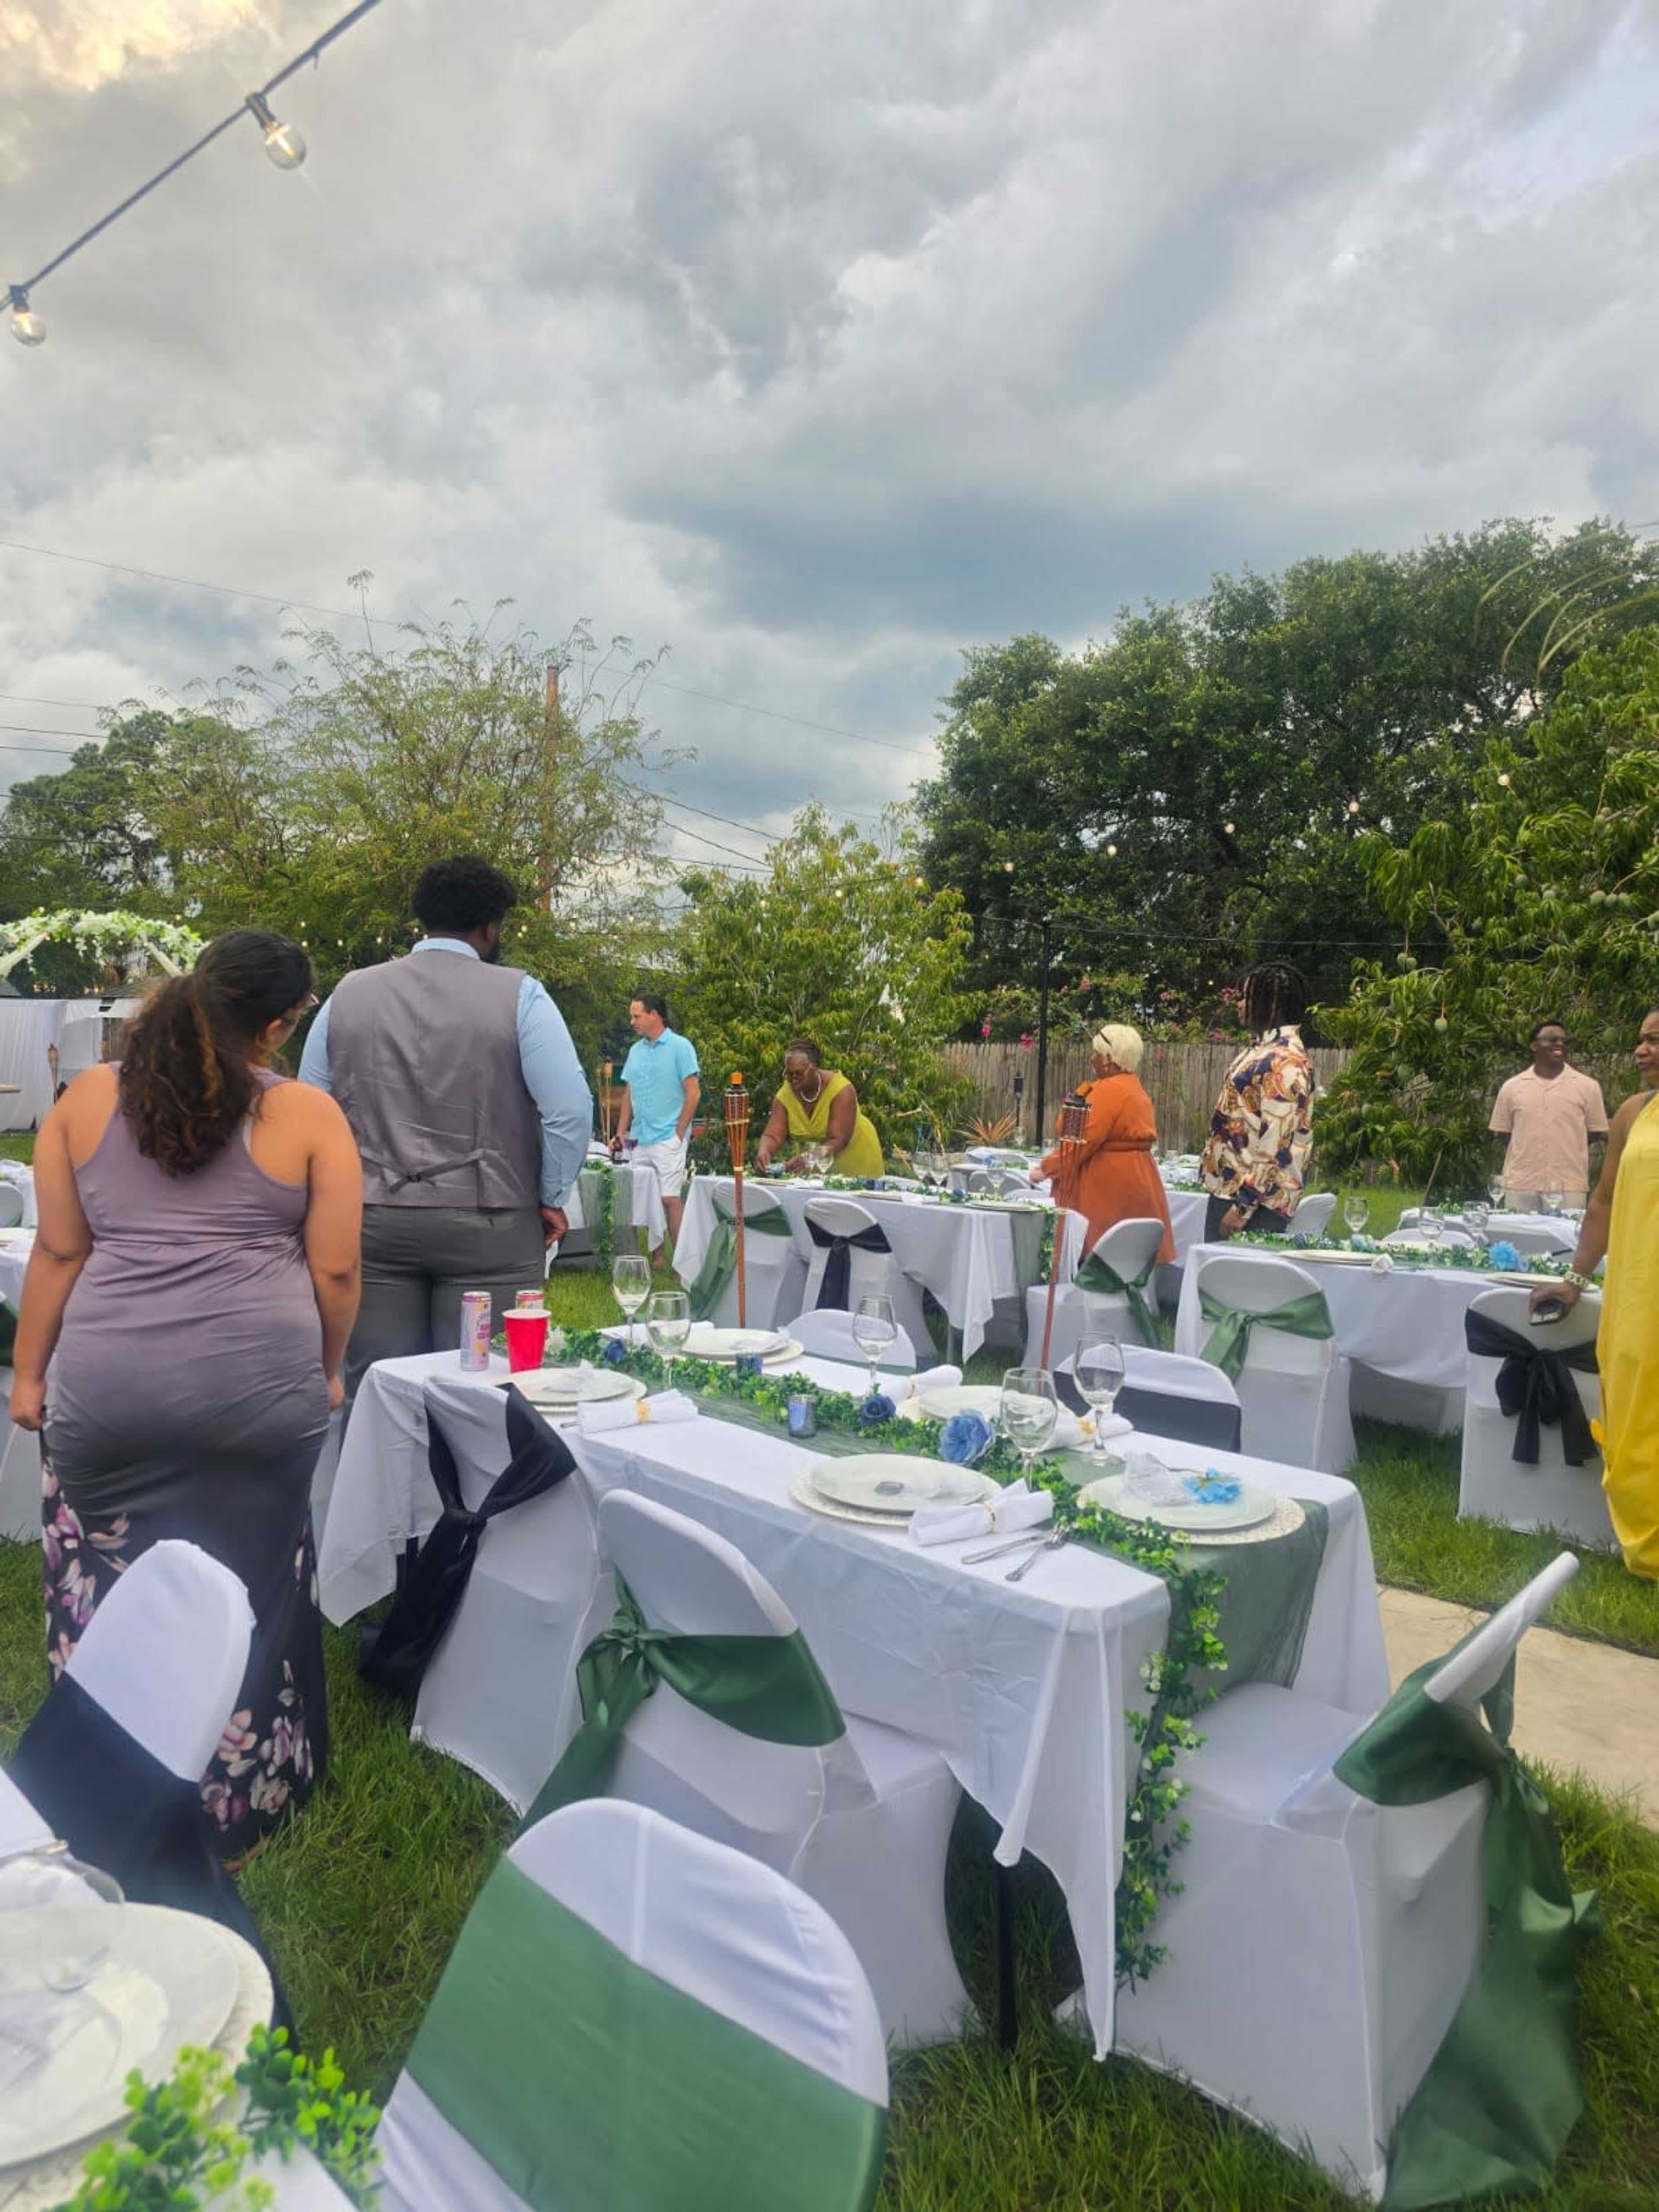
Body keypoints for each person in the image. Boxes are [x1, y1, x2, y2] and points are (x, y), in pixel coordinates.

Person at [11, 931, 362, 1857]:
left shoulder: (86, 1101)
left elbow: (58, 1251)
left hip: (108, 1398)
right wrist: (326, 1369)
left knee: (106, 1589)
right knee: (253, 1588)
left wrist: (32, 1375)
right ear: (279, 1025)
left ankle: (102, 1794)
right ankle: (244, 1804)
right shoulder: (310, 1115)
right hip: (262, 1401)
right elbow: (335, 1273)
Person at [300, 856, 591, 1389]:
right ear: (491, 926)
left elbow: (313, 1105)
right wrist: (551, 1194)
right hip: (490, 1219)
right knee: (489, 1387)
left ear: (424, 918)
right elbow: (569, 1107)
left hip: (374, 1216)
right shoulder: (521, 994)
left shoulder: (350, 993)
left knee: (380, 1386)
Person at [1532, 1006, 1659, 1580]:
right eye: (1640, 1040)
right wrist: (1575, 1280)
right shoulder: (1634, 1113)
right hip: (1638, 1293)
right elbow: (1603, 1202)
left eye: (1655, 1040)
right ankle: (1647, 1549)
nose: (1641, 1050)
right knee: (1636, 1413)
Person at [1032, 1024, 1174, 1261]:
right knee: (1130, 1258)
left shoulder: (1108, 1090)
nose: (1092, 1059)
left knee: (1100, 1256)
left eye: (1096, 1053)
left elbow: (1080, 1141)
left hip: (1107, 1185)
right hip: (1140, 1179)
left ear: (1109, 1058)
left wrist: (1047, 1168)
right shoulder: (1135, 1087)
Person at [1200, 962, 1315, 1239]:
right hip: (1232, 1190)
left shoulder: (1285, 1062)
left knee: (1230, 1269)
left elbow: (1276, 1144)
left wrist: (1244, 1206)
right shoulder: (1263, 1049)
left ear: (1271, 1003)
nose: (1240, 1004)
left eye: (1247, 997)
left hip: (1254, 1204)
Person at [613, 992, 700, 1250]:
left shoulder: (681, 1047)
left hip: (668, 1136)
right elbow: (628, 1094)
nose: (632, 1022)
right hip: (638, 1138)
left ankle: (682, 1265)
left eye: (637, 1016)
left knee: (669, 1199)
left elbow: (694, 1093)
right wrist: (621, 1133)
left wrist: (679, 1133)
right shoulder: (635, 1051)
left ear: (655, 1015)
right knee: (641, 1198)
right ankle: (656, 1258)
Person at [1490, 1020, 1608, 1208]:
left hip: (1568, 1186)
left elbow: (1595, 1132)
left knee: (1567, 1229)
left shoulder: (1588, 1087)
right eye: (1552, 1039)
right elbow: (1504, 1133)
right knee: (1518, 1229)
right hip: (1521, 1184)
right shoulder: (1512, 1087)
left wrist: (1565, 1144)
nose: (1560, 1044)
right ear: (1534, 1045)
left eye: (1564, 1041)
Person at [753, 1039, 884, 1176]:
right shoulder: (785, 1095)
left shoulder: (842, 1090)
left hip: (856, 1159)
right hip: (814, 1166)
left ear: (814, 1067)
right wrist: (764, 1152)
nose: (794, 1079)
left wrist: (808, 1158)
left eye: (799, 1073)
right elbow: (773, 1135)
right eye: (789, 1074)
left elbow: (838, 1140)